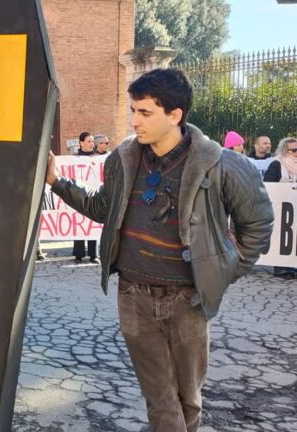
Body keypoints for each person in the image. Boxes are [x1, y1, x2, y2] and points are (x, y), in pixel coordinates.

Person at [46, 68, 273, 432]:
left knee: (189, 399)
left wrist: (225, 268)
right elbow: (101, 208)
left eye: (144, 112)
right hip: (134, 297)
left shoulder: (220, 164)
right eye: (132, 111)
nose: (134, 121)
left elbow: (258, 223)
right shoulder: (121, 160)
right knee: (161, 400)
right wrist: (56, 181)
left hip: (189, 301)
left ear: (175, 115)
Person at [263, 137, 297, 280]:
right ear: (285, 150)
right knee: (281, 238)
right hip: (280, 209)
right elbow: (268, 186)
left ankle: (292, 266)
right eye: (294, 150)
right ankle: (281, 268)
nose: (296, 152)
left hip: (295, 206)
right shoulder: (276, 165)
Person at [72, 131, 98, 264]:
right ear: (81, 143)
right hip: (79, 194)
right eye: (89, 141)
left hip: (93, 195)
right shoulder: (74, 159)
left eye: (92, 141)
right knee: (79, 224)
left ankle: (93, 254)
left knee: (92, 223)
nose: (91, 144)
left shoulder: (98, 158)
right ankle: (78, 254)